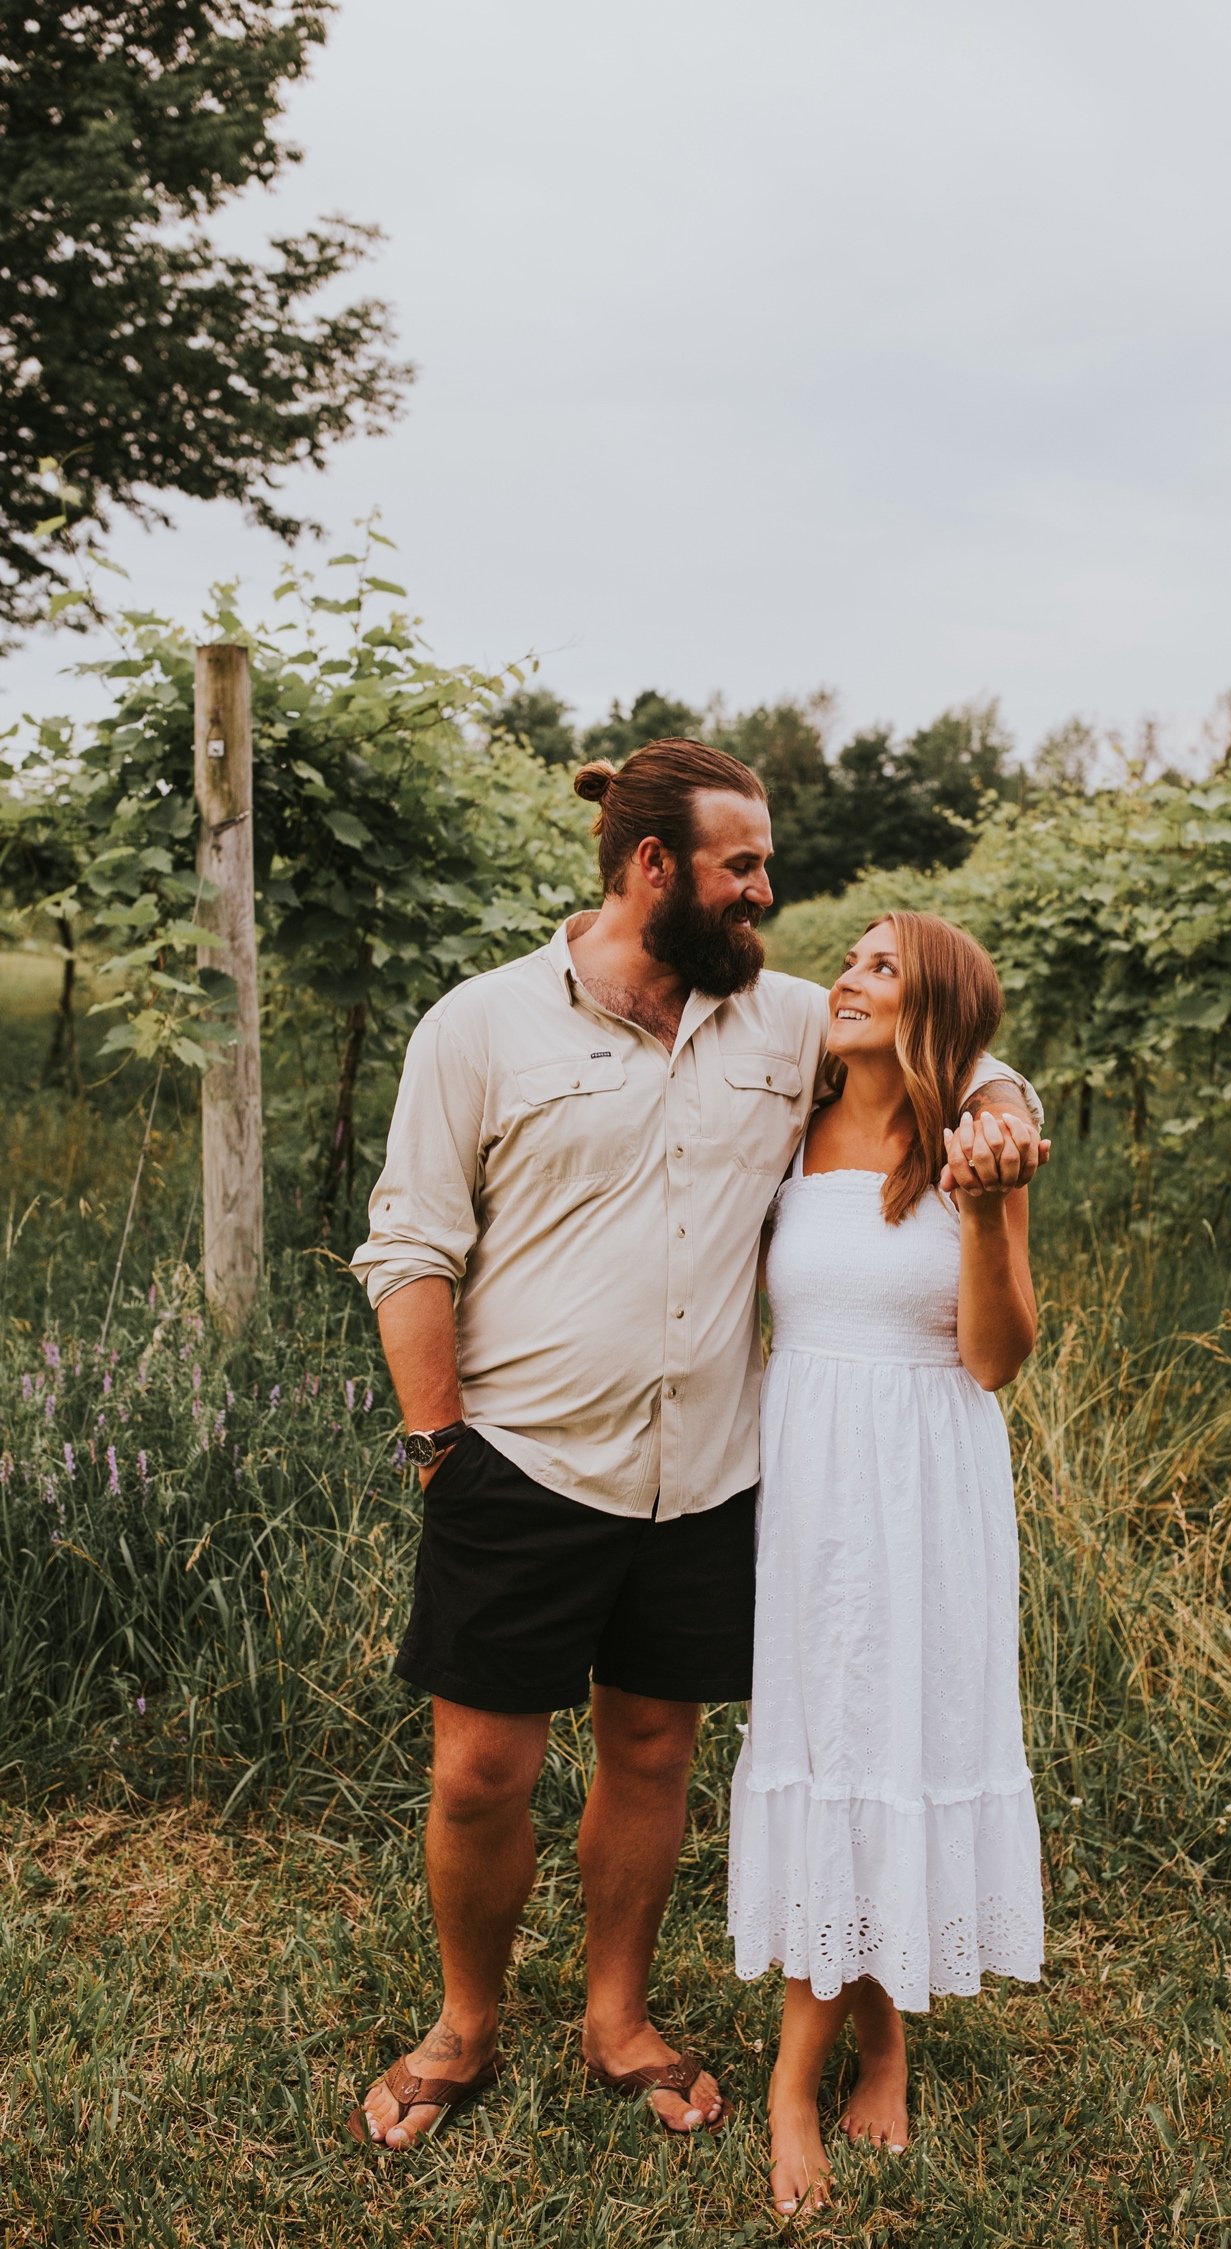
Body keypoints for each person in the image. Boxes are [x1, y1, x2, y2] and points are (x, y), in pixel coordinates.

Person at [346, 740, 1045, 2151]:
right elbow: (410, 1247)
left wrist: (1007, 1107)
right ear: (653, 868)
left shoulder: (782, 1023)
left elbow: (948, 1040)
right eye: (743, 869)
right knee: (480, 1771)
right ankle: (465, 2023)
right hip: (523, 1461)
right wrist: (440, 1445)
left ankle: (617, 2016)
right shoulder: (477, 1028)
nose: (766, 896)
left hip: (712, 1474)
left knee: (651, 1750)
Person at [728, 910, 1046, 2218]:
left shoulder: (977, 1139)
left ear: (934, 1012)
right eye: (851, 959)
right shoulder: (790, 1111)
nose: (848, 978)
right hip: (810, 1484)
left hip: (930, 1481)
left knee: (897, 1743)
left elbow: (997, 1355)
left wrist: (981, 1212)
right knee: (832, 1739)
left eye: (882, 969)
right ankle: (841, 2053)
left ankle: (837, 2058)